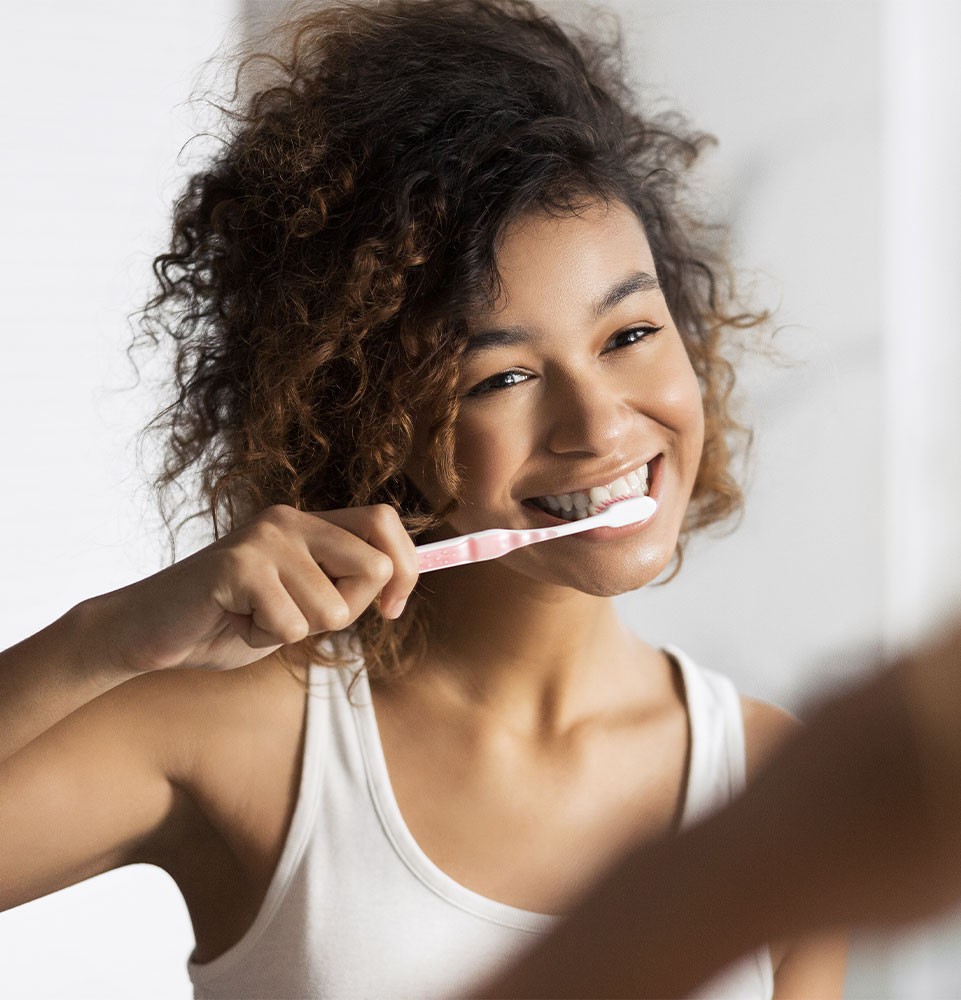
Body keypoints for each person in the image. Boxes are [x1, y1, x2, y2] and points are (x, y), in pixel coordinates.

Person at [0, 1, 846, 997]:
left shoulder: (774, 781)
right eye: (502, 378)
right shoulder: (242, 736)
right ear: (376, 422)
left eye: (627, 336)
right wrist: (114, 636)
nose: (601, 425)